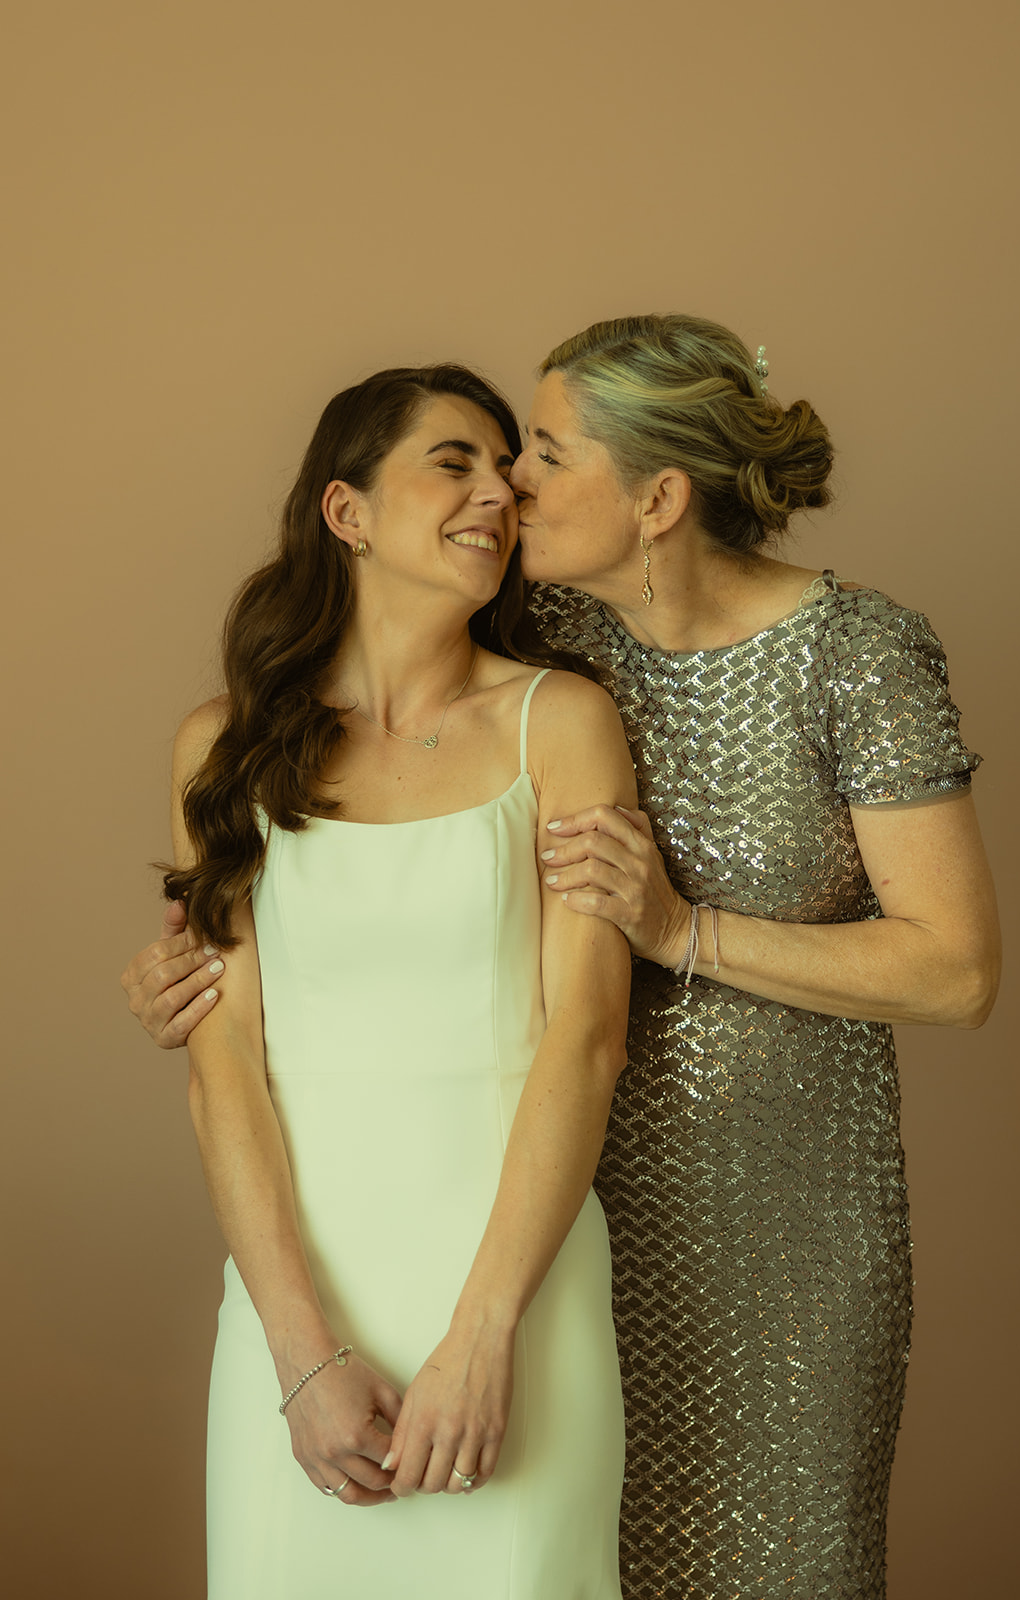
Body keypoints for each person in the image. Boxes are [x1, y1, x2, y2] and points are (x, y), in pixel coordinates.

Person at [123, 316, 1000, 1600]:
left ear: (654, 497)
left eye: (537, 453)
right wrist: (186, 988)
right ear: (346, 513)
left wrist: (682, 930)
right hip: (555, 1204)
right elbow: (278, 1001)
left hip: (767, 1211)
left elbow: (953, 971)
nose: (508, 487)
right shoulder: (552, 660)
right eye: (480, 458)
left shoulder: (806, 661)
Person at [146, 362, 636, 1600]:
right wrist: (300, 1356)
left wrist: (484, 1337)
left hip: (514, 1288)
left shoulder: (560, 723)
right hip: (295, 1290)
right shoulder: (224, 748)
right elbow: (224, 1076)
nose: (495, 494)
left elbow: (584, 1041)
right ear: (346, 511)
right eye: (451, 461)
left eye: (505, 472)